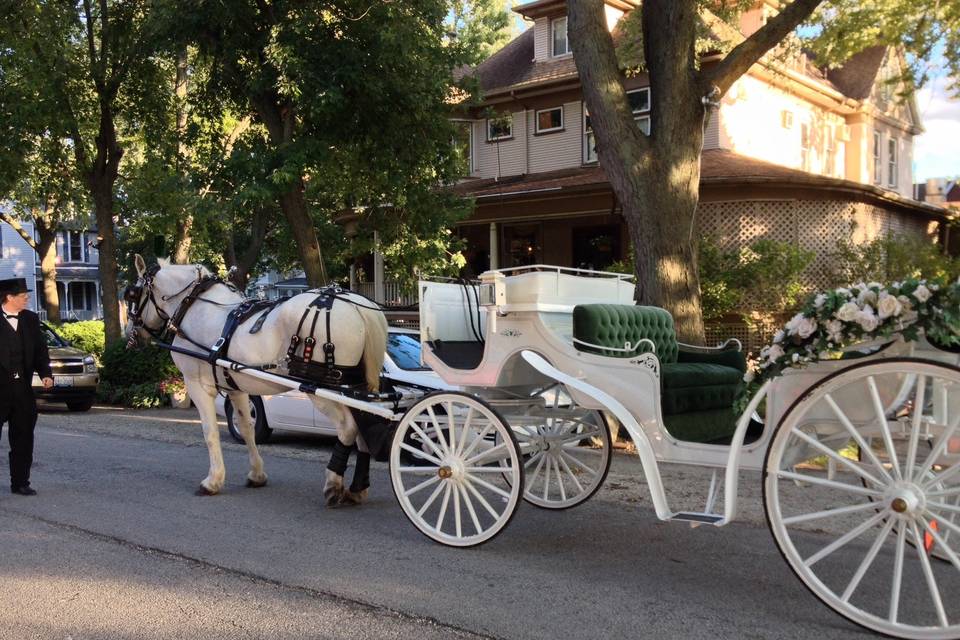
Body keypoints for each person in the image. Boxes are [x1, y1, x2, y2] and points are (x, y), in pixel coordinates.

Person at [0, 278, 53, 496]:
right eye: (23, 296)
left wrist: (46, 374)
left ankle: (20, 482)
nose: (27, 298)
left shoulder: (30, 320)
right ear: (9, 298)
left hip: (22, 387)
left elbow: (41, 350)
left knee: (23, 436)